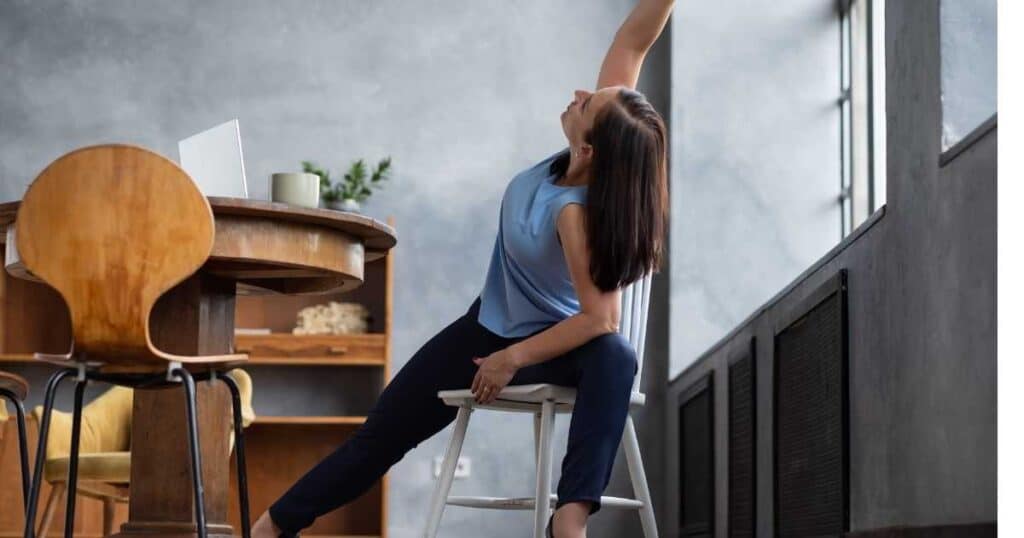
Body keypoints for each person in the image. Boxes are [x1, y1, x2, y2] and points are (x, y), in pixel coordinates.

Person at [252, 1, 673, 536]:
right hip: (484, 328)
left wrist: (509, 359)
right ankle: (271, 527)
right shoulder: (591, 145)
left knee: (615, 354)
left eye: (588, 103)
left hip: (548, 347)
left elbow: (600, 320)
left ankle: (569, 520)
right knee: (380, 436)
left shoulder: (576, 215)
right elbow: (634, 41)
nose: (580, 93)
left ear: (588, 147)